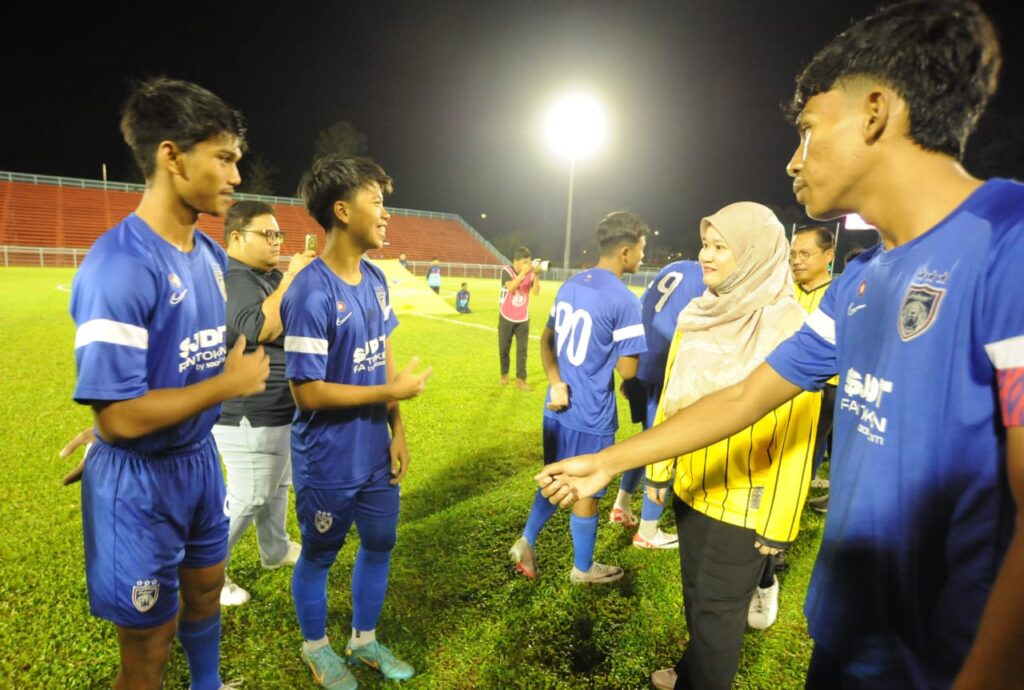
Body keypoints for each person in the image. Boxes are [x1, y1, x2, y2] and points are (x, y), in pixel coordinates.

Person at [536, 2, 1023, 687]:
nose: (794, 161)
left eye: (807, 132)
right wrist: (608, 460)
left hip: (947, 660)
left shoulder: (1010, 242)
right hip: (845, 634)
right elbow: (745, 395)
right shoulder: (858, 284)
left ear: (876, 112)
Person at [63, 77, 269, 690]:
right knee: (149, 647)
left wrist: (194, 394)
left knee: (206, 596)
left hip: (198, 463)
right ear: (171, 155)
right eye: (224, 157)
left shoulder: (206, 254)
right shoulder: (118, 265)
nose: (236, 175)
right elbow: (119, 418)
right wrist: (226, 385)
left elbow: (165, 372)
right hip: (140, 486)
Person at [655, 203, 822, 688]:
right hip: (693, 484)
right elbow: (673, 395)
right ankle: (691, 671)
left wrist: (781, 518)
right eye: (705, 244)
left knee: (719, 613)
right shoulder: (703, 310)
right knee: (696, 597)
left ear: (753, 255)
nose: (705, 255)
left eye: (720, 247)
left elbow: (800, 433)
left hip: (745, 504)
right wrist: (662, 469)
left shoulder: (790, 326)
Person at [284, 155, 432, 689]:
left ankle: (363, 639)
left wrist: (398, 429)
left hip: (375, 450)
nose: (386, 213)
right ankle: (317, 648)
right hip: (327, 458)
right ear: (342, 211)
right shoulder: (309, 292)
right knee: (321, 554)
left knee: (380, 542)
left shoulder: (374, 278)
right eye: (377, 201)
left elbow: (382, 354)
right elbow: (306, 392)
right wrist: (389, 393)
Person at [509, 211, 648, 584]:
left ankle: (527, 539)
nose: (642, 257)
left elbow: (546, 339)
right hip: (591, 414)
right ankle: (583, 568)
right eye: (640, 250)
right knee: (588, 488)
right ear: (624, 251)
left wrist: (555, 380)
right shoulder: (625, 300)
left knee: (556, 477)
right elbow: (628, 371)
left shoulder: (572, 283)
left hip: (557, 407)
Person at [212, 200, 316, 606]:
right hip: (247, 411)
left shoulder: (262, 275)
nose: (276, 242)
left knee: (276, 487)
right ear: (236, 237)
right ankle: (205, 572)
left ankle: (274, 548)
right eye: (266, 234)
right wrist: (291, 277)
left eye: (279, 234)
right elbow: (258, 327)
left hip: (274, 405)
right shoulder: (238, 277)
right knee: (249, 495)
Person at [610, 259, 704, 550]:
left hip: (638, 360)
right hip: (665, 363)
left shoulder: (673, 267)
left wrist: (632, 373)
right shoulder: (710, 275)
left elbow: (642, 309)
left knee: (648, 439)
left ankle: (621, 505)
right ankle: (648, 531)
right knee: (665, 446)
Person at [791, 226, 838, 505]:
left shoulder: (841, 296)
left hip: (825, 390)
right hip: (779, 383)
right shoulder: (781, 293)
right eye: (794, 254)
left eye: (805, 254)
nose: (797, 260)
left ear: (829, 255)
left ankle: (789, 508)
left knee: (804, 452)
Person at [498, 246, 541, 390]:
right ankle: (504, 374)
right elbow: (511, 287)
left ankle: (521, 380)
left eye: (529, 261)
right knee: (504, 348)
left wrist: (536, 275)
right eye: (525, 262)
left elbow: (535, 292)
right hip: (506, 315)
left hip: (522, 317)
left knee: (522, 351)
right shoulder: (506, 270)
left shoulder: (529, 273)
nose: (528, 264)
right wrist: (523, 273)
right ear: (516, 261)